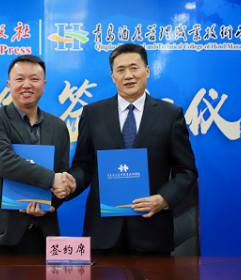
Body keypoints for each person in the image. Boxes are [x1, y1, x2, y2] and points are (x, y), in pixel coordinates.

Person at [61, 43, 197, 255]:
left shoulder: (170, 115)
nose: (128, 75)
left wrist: (163, 199)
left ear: (147, 71)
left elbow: (186, 170)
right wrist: (71, 182)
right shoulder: (93, 113)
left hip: (152, 228)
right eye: (121, 70)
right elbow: (83, 165)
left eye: (134, 68)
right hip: (102, 230)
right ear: (113, 76)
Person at [0, 55, 72, 255]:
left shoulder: (58, 126)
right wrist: (51, 179)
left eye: (34, 79)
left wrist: (51, 204)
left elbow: (62, 172)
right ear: (9, 84)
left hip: (44, 232)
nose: (27, 85)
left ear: (43, 85)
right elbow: (4, 162)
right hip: (0, 233)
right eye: (19, 79)